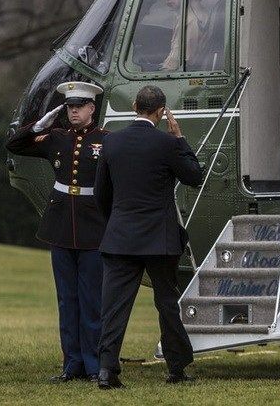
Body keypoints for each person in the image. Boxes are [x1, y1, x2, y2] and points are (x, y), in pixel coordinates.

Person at [94, 85, 203, 389]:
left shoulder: (111, 143)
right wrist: (179, 138)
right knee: (166, 304)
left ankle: (106, 370)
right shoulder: (166, 143)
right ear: (161, 112)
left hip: (121, 237)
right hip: (160, 238)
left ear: (134, 107)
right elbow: (194, 176)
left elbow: (101, 194)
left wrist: (115, 222)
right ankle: (177, 368)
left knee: (114, 307)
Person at [5, 81, 108, 383]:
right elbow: (14, 145)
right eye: (70, 107)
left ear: (92, 108)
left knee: (91, 301)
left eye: (79, 107)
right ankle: (71, 365)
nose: (73, 111)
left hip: (92, 229)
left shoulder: (105, 140)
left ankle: (93, 365)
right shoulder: (56, 138)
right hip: (61, 226)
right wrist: (39, 124)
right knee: (67, 300)